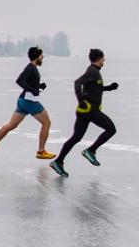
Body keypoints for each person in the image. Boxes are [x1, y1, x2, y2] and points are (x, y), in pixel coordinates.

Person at [50, 48, 119, 176]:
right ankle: (91, 151)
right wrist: (80, 99)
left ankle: (58, 161)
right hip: (90, 111)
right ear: (98, 59)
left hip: (84, 112)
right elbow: (77, 83)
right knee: (111, 129)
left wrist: (109, 88)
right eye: (103, 58)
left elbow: (95, 88)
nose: (104, 60)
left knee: (76, 137)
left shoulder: (94, 72)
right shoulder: (92, 71)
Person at [0, 46, 56, 163]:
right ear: (37, 56)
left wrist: (38, 87)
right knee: (47, 122)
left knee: (11, 125)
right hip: (30, 101)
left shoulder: (32, 68)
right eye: (41, 55)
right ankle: (41, 151)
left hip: (23, 101)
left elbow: (28, 83)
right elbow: (19, 80)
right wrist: (31, 90)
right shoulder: (31, 68)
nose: (43, 57)